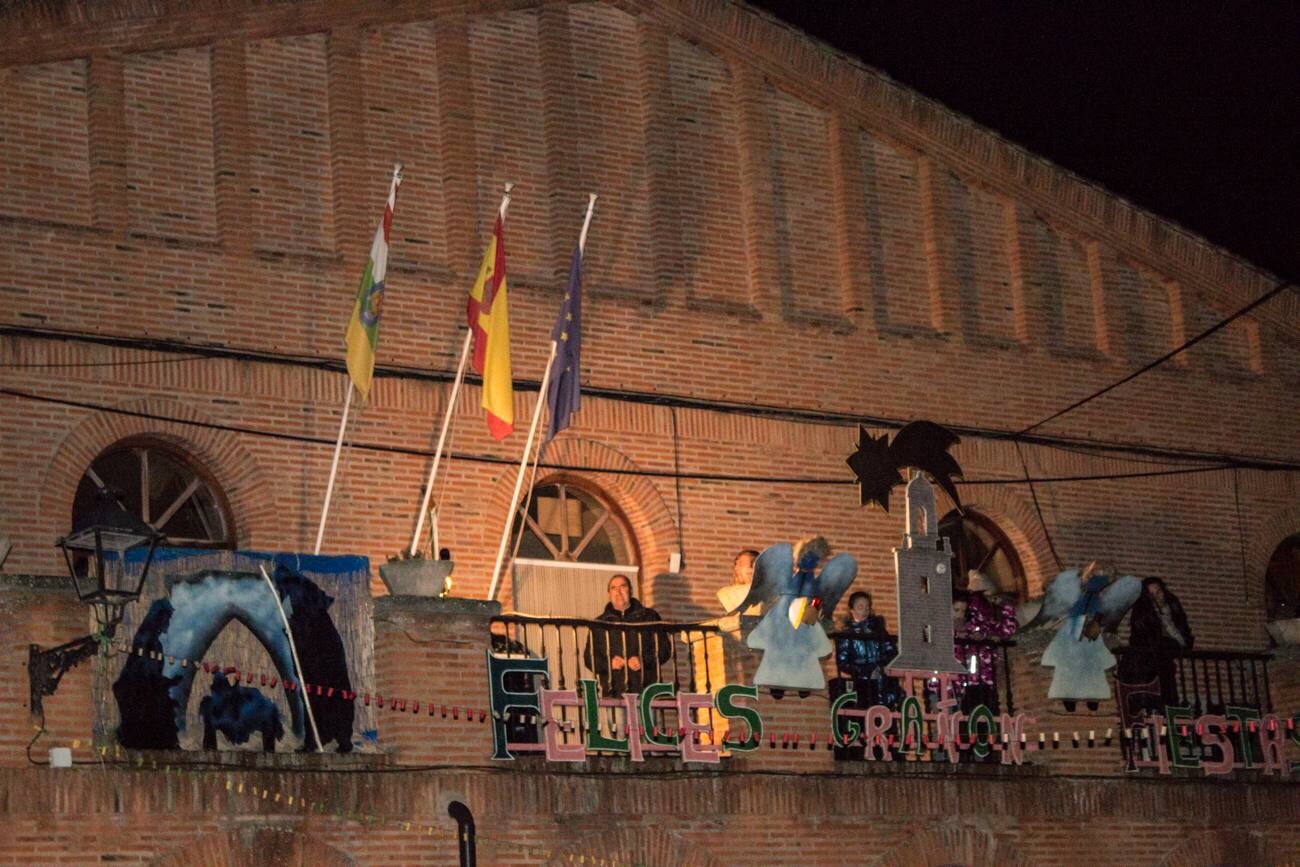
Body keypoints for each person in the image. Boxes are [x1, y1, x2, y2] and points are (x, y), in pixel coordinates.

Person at [583, 574, 672, 696]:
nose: (618, 592)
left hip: (646, 689)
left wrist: (643, 660)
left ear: (630, 590)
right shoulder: (599, 623)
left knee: (646, 716)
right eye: (614, 588)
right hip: (614, 691)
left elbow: (664, 649)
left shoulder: (649, 617)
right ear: (609, 593)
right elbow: (589, 658)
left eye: (622, 587)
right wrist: (609, 664)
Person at [1118, 577, 1194, 708]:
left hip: (1163, 659)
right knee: (1159, 689)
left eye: (1158, 592)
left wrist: (1183, 644)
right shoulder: (1142, 612)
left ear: (1164, 591)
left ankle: (1168, 707)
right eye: (1151, 595)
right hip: (1149, 662)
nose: (1156, 597)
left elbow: (1182, 631)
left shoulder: (1174, 608)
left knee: (1166, 686)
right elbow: (1142, 637)